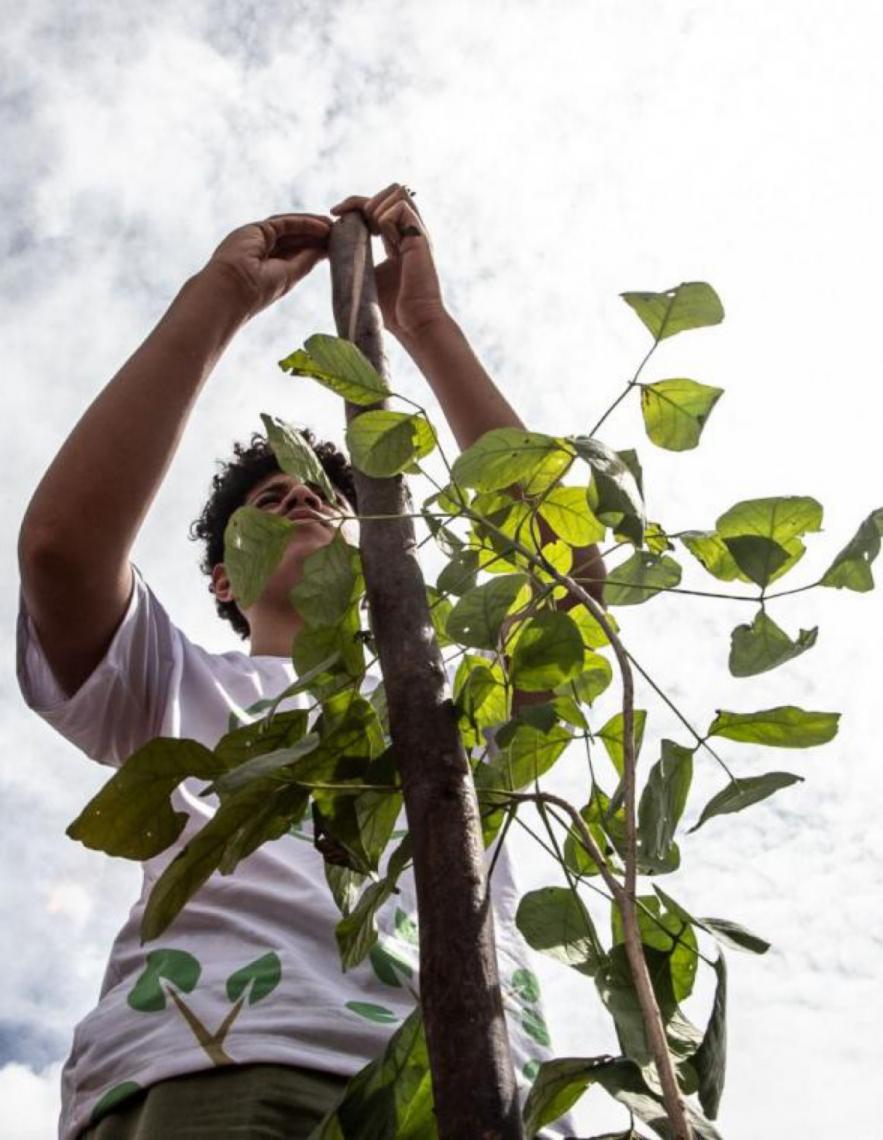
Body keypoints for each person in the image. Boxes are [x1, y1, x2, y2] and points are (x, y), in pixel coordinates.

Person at [17, 183, 606, 1140]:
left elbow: (567, 580)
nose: (298, 501)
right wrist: (221, 297)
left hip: (473, 1090)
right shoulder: (177, 687)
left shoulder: (460, 706)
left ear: (379, 561)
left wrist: (423, 322)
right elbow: (60, 551)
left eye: (324, 498)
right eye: (269, 500)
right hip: (216, 1068)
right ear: (220, 582)